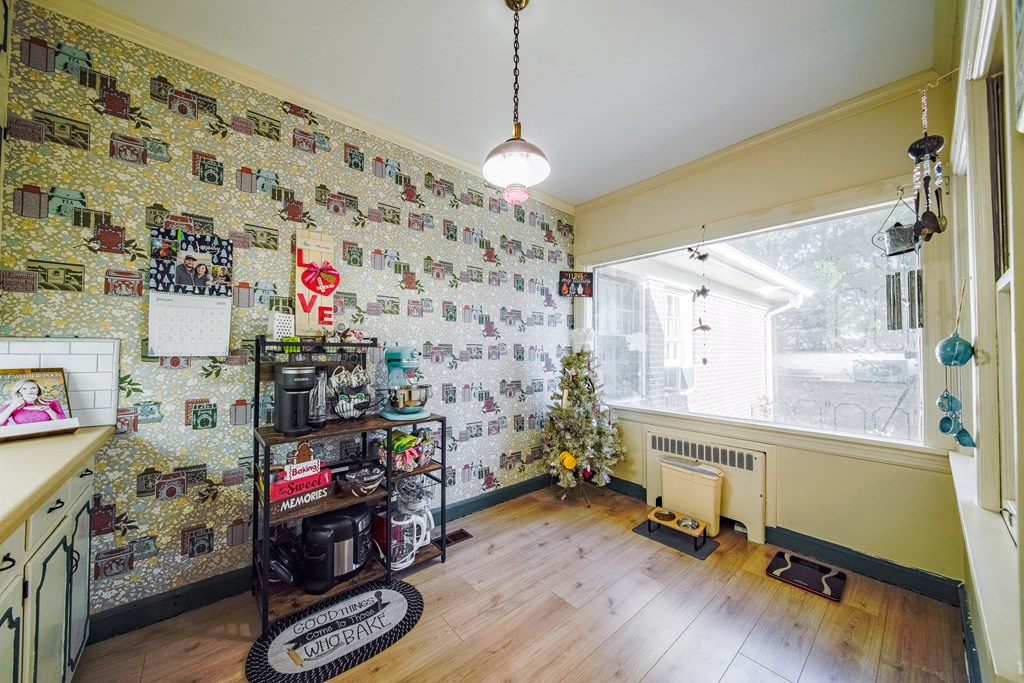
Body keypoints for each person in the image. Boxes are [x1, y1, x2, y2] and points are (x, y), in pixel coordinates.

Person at [0, 379, 66, 425]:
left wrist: (48, 409)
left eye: (33, 388)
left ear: (38, 390)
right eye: (24, 388)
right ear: (19, 390)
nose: (29, 391)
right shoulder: (11, 404)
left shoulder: (51, 402)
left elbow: (63, 421)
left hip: (47, 433)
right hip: (22, 436)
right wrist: (12, 406)